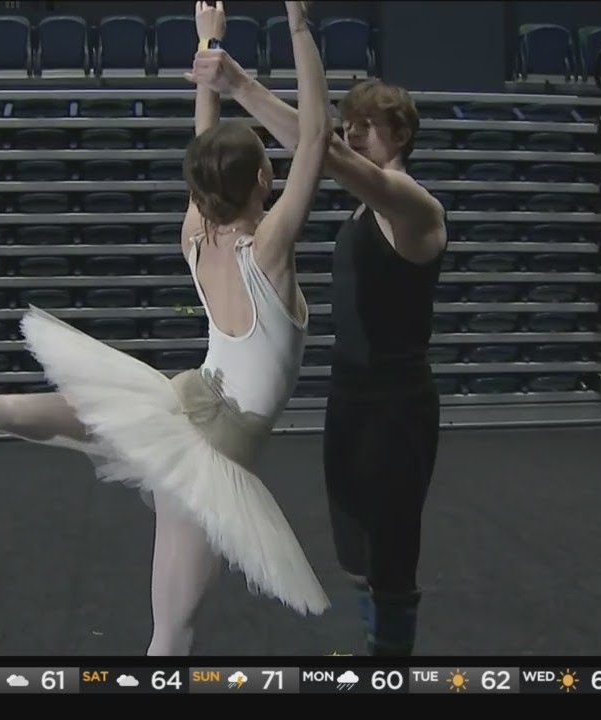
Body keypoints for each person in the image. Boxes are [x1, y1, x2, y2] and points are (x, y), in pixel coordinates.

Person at [0, 0, 333, 656]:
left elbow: (206, 152)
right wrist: (300, 28)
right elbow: (316, 141)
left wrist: (208, 43)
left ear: (203, 190)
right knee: (172, 630)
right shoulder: (268, 251)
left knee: (16, 410)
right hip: (209, 453)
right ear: (264, 179)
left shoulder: (196, 235)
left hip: (171, 403)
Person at [187, 40, 447, 655]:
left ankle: (390, 664)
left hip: (397, 404)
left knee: (389, 549)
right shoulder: (364, 210)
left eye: (366, 127)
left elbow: (317, 148)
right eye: (349, 124)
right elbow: (318, 148)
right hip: (350, 394)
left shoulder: (413, 205)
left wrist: (240, 85)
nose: (353, 135)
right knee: (353, 547)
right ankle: (376, 647)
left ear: (401, 133)